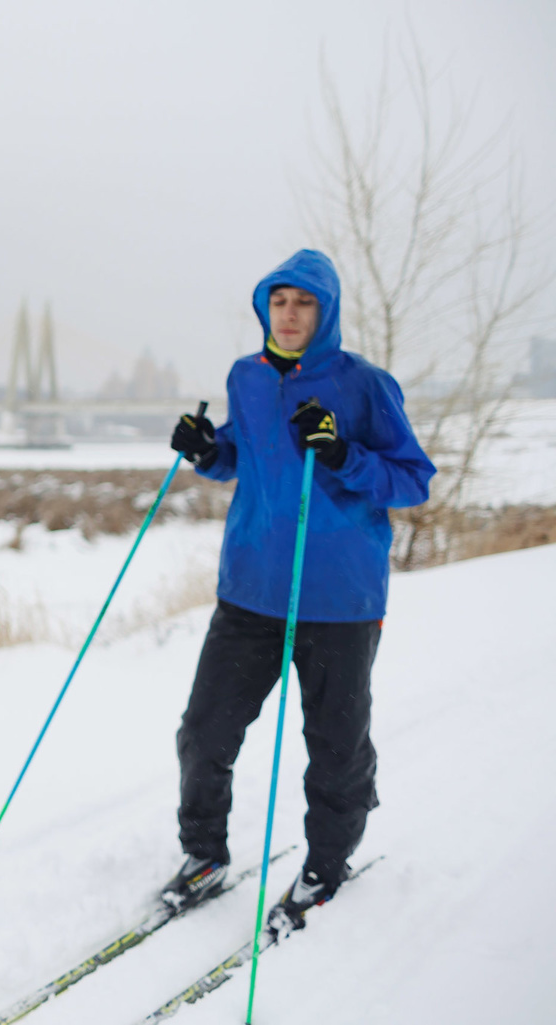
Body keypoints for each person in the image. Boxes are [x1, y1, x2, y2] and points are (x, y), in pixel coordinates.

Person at [161, 249, 435, 929]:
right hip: (250, 590)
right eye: (278, 301)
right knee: (204, 731)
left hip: (340, 600)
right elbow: (240, 453)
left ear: (326, 310)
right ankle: (204, 853)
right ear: (265, 309)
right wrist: (205, 449)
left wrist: (343, 454)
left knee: (336, 746)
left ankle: (326, 865)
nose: (289, 314)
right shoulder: (247, 377)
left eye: (303, 302)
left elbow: (412, 479)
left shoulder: (365, 385)